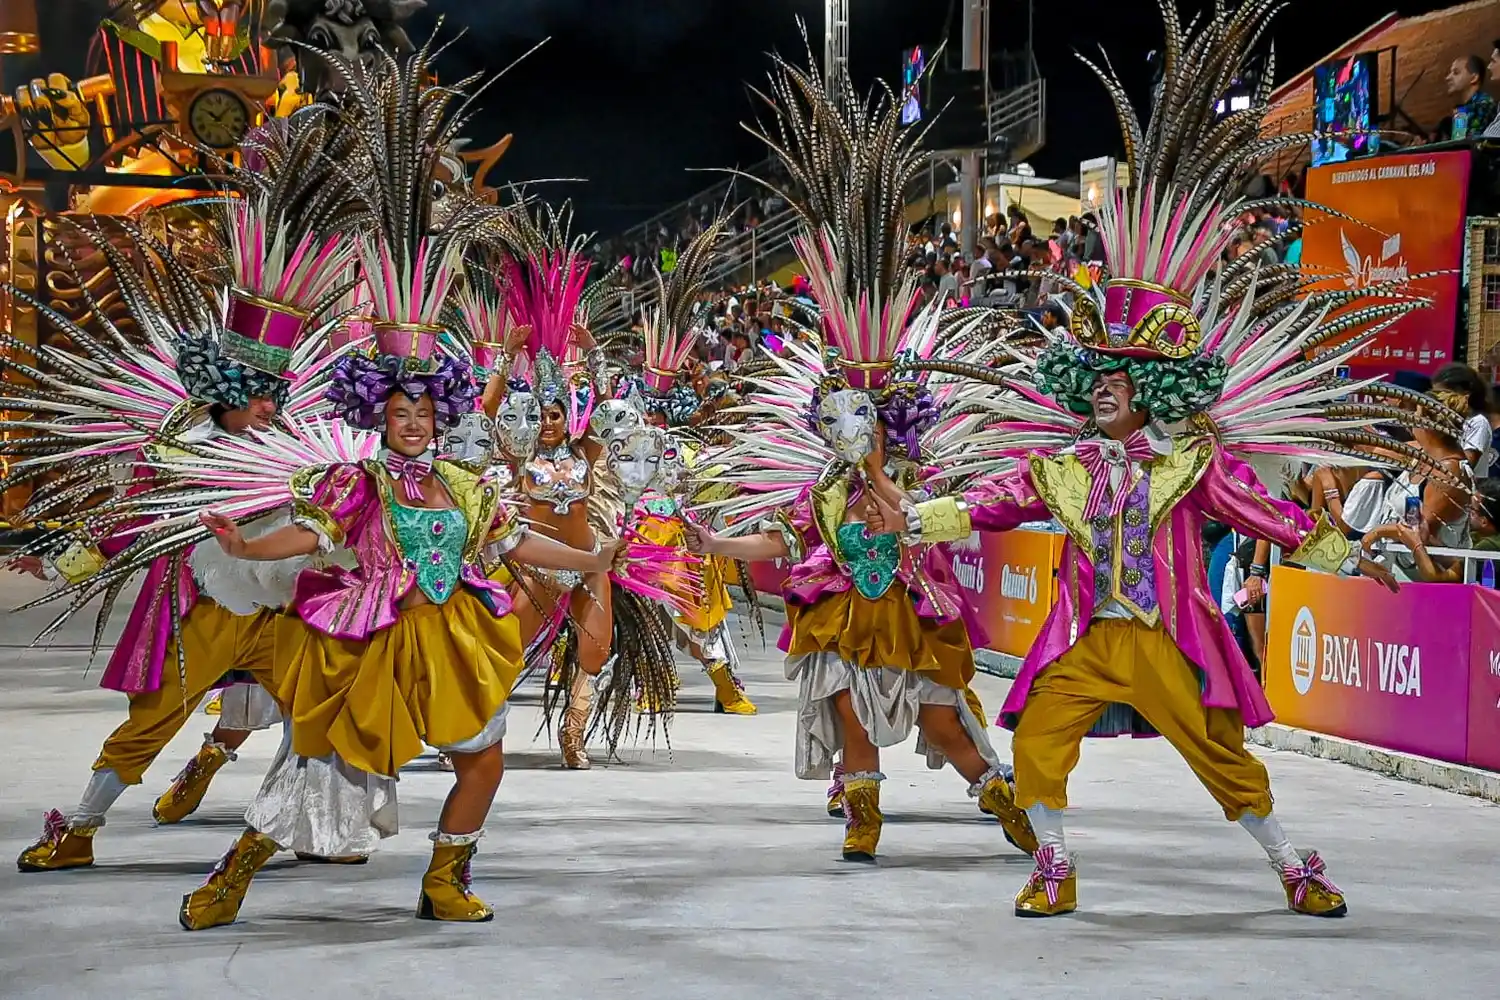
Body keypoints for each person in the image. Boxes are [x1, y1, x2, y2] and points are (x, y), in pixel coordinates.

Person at [865, 0, 1434, 921]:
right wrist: (909, 515)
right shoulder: (1071, 464)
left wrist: (1338, 555)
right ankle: (1054, 862)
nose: (1102, 392)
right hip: (1084, 638)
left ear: (1155, 391)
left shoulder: (1194, 460)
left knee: (1224, 758)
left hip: (1173, 637)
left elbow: (1271, 519)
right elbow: (999, 500)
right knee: (1041, 738)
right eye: (1098, 377)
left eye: (1120, 382)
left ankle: (1292, 863)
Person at [690, 47, 1039, 863]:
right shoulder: (818, 491)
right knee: (845, 705)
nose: (848, 436)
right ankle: (863, 815)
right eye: (838, 423)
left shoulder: (910, 479)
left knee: (945, 722)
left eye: (862, 422)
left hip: (909, 618)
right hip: (846, 614)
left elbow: (916, 522)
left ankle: (999, 793)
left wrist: (878, 471)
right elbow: (784, 542)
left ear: (885, 424)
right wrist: (716, 545)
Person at [175, 316, 617, 930]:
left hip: (455, 639)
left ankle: (444, 882)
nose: (413, 423)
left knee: (484, 761)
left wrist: (589, 559)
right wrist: (246, 550)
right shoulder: (358, 483)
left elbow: (515, 544)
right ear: (378, 418)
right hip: (376, 641)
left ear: (440, 419)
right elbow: (310, 535)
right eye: (400, 413)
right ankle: (232, 876)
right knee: (320, 769)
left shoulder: (465, 486)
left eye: (423, 413)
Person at [1433, 362, 1494, 476]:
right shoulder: (1443, 419)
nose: (1439, 399)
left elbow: (1465, 467)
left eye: (1443, 393)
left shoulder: (1477, 423)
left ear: (1464, 393)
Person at [1446, 55, 1496, 140]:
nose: (1448, 78)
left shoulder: (1484, 104)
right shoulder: (1461, 110)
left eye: (1456, 73)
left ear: (1474, 78)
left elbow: (1472, 145)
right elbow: (1458, 141)